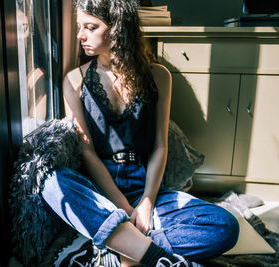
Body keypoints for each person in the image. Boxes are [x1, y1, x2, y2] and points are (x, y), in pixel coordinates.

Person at [41, 0, 240, 266]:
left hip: (144, 186)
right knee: (51, 181)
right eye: (79, 27)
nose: (80, 36)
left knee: (225, 226)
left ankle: (121, 250)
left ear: (117, 29)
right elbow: (86, 151)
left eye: (90, 27)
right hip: (100, 191)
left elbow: (160, 146)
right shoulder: (74, 81)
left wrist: (146, 202)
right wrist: (122, 207)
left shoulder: (159, 76)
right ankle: (149, 255)